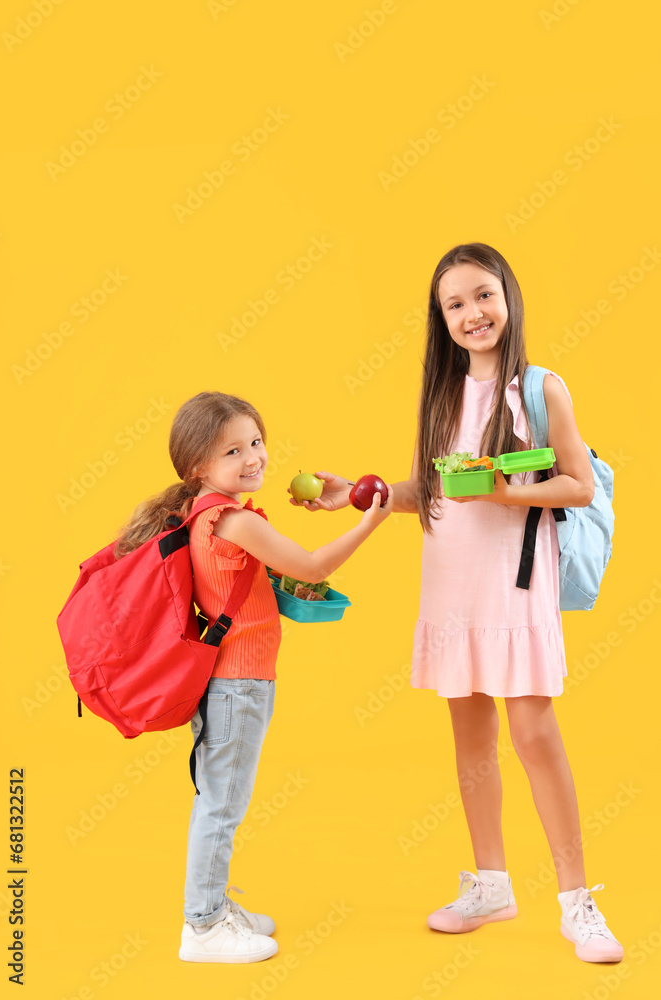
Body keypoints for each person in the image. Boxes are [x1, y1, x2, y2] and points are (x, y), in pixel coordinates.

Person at [290, 243, 623, 964]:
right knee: (471, 742)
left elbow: (578, 486)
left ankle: (576, 902)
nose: (472, 313)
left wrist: (504, 491)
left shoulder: (541, 388)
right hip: (450, 584)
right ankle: (491, 884)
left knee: (534, 736)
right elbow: (432, 492)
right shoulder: (439, 397)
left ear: (508, 298)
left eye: (483, 295)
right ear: (440, 321)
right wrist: (358, 492)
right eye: (455, 304)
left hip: (515, 583)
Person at [114, 390, 393, 964]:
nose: (254, 458)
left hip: (230, 681)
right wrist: (372, 519)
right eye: (233, 451)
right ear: (198, 468)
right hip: (239, 685)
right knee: (222, 804)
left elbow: (243, 591)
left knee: (219, 799)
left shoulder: (205, 513)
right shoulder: (233, 519)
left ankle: (212, 906)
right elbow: (314, 564)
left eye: (257, 442)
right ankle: (203, 926)